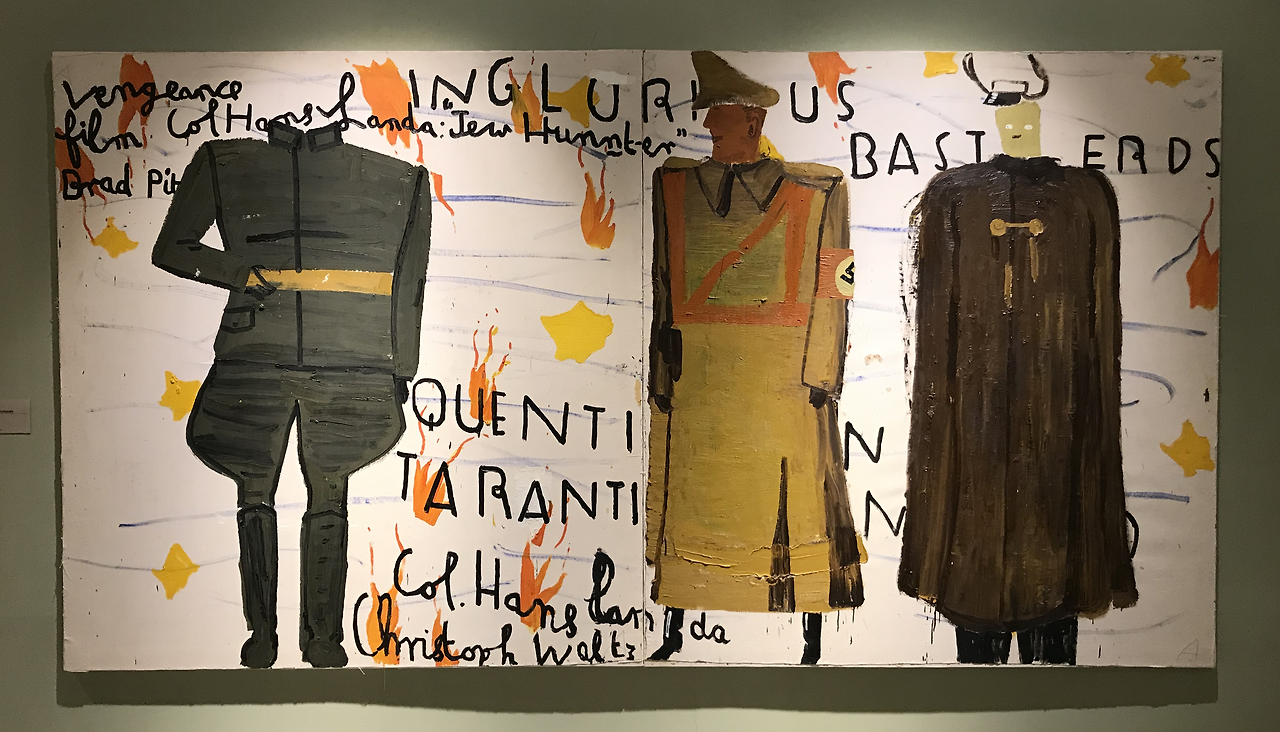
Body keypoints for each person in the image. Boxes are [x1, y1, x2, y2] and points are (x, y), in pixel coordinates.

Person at [152, 119, 431, 668]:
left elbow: (410, 283)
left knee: (328, 493)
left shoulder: (400, 179)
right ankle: (263, 635)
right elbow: (172, 247)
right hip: (256, 357)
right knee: (255, 491)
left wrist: (400, 366)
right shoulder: (223, 163)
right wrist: (240, 272)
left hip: (350, 361)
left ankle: (321, 638)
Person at [898, 55, 1137, 664]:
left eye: (1023, 106)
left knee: (1056, 583)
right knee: (975, 579)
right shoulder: (952, 196)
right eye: (1004, 107)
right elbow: (933, 325)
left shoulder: (1086, 196)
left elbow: (1102, 324)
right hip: (972, 417)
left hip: (1062, 412)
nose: (1015, 119)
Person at [646, 52, 864, 665]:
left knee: (801, 507)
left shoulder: (818, 189)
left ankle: (811, 638)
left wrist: (822, 372)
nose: (708, 125)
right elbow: (663, 282)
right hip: (701, 377)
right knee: (693, 507)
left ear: (752, 118)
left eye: (718, 112)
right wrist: (662, 370)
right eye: (706, 113)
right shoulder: (673, 186)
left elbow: (837, 281)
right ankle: (676, 628)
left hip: (784, 378)